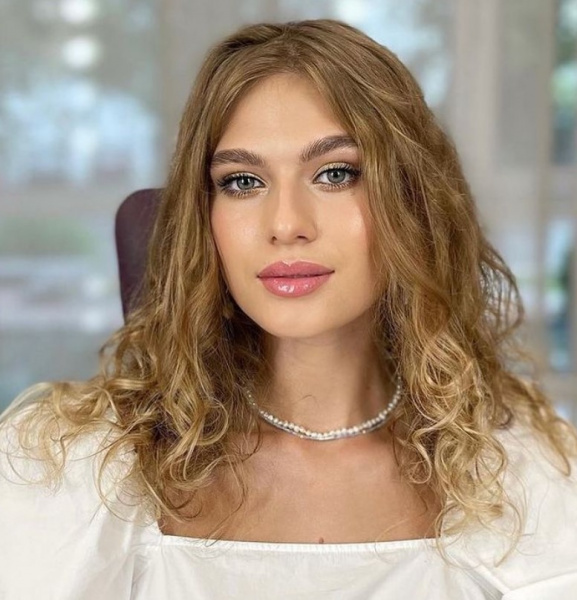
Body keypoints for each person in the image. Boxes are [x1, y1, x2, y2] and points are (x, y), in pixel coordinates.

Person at [1, 18, 577, 599]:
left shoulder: (522, 468)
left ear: (413, 202)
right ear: (204, 219)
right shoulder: (69, 465)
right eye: (242, 182)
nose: (285, 225)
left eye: (335, 174)